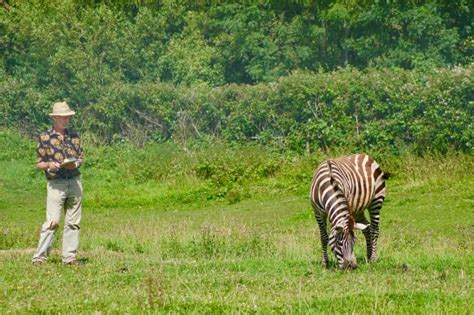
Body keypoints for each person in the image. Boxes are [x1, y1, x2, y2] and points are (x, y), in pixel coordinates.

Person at [32, 101, 84, 266]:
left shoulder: (74, 136)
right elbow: (39, 163)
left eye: (68, 117)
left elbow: (81, 156)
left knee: (73, 223)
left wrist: (75, 163)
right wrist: (49, 165)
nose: (66, 120)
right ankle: (39, 258)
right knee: (52, 221)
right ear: (55, 118)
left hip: (74, 181)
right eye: (63, 117)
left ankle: (69, 258)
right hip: (56, 183)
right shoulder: (45, 137)